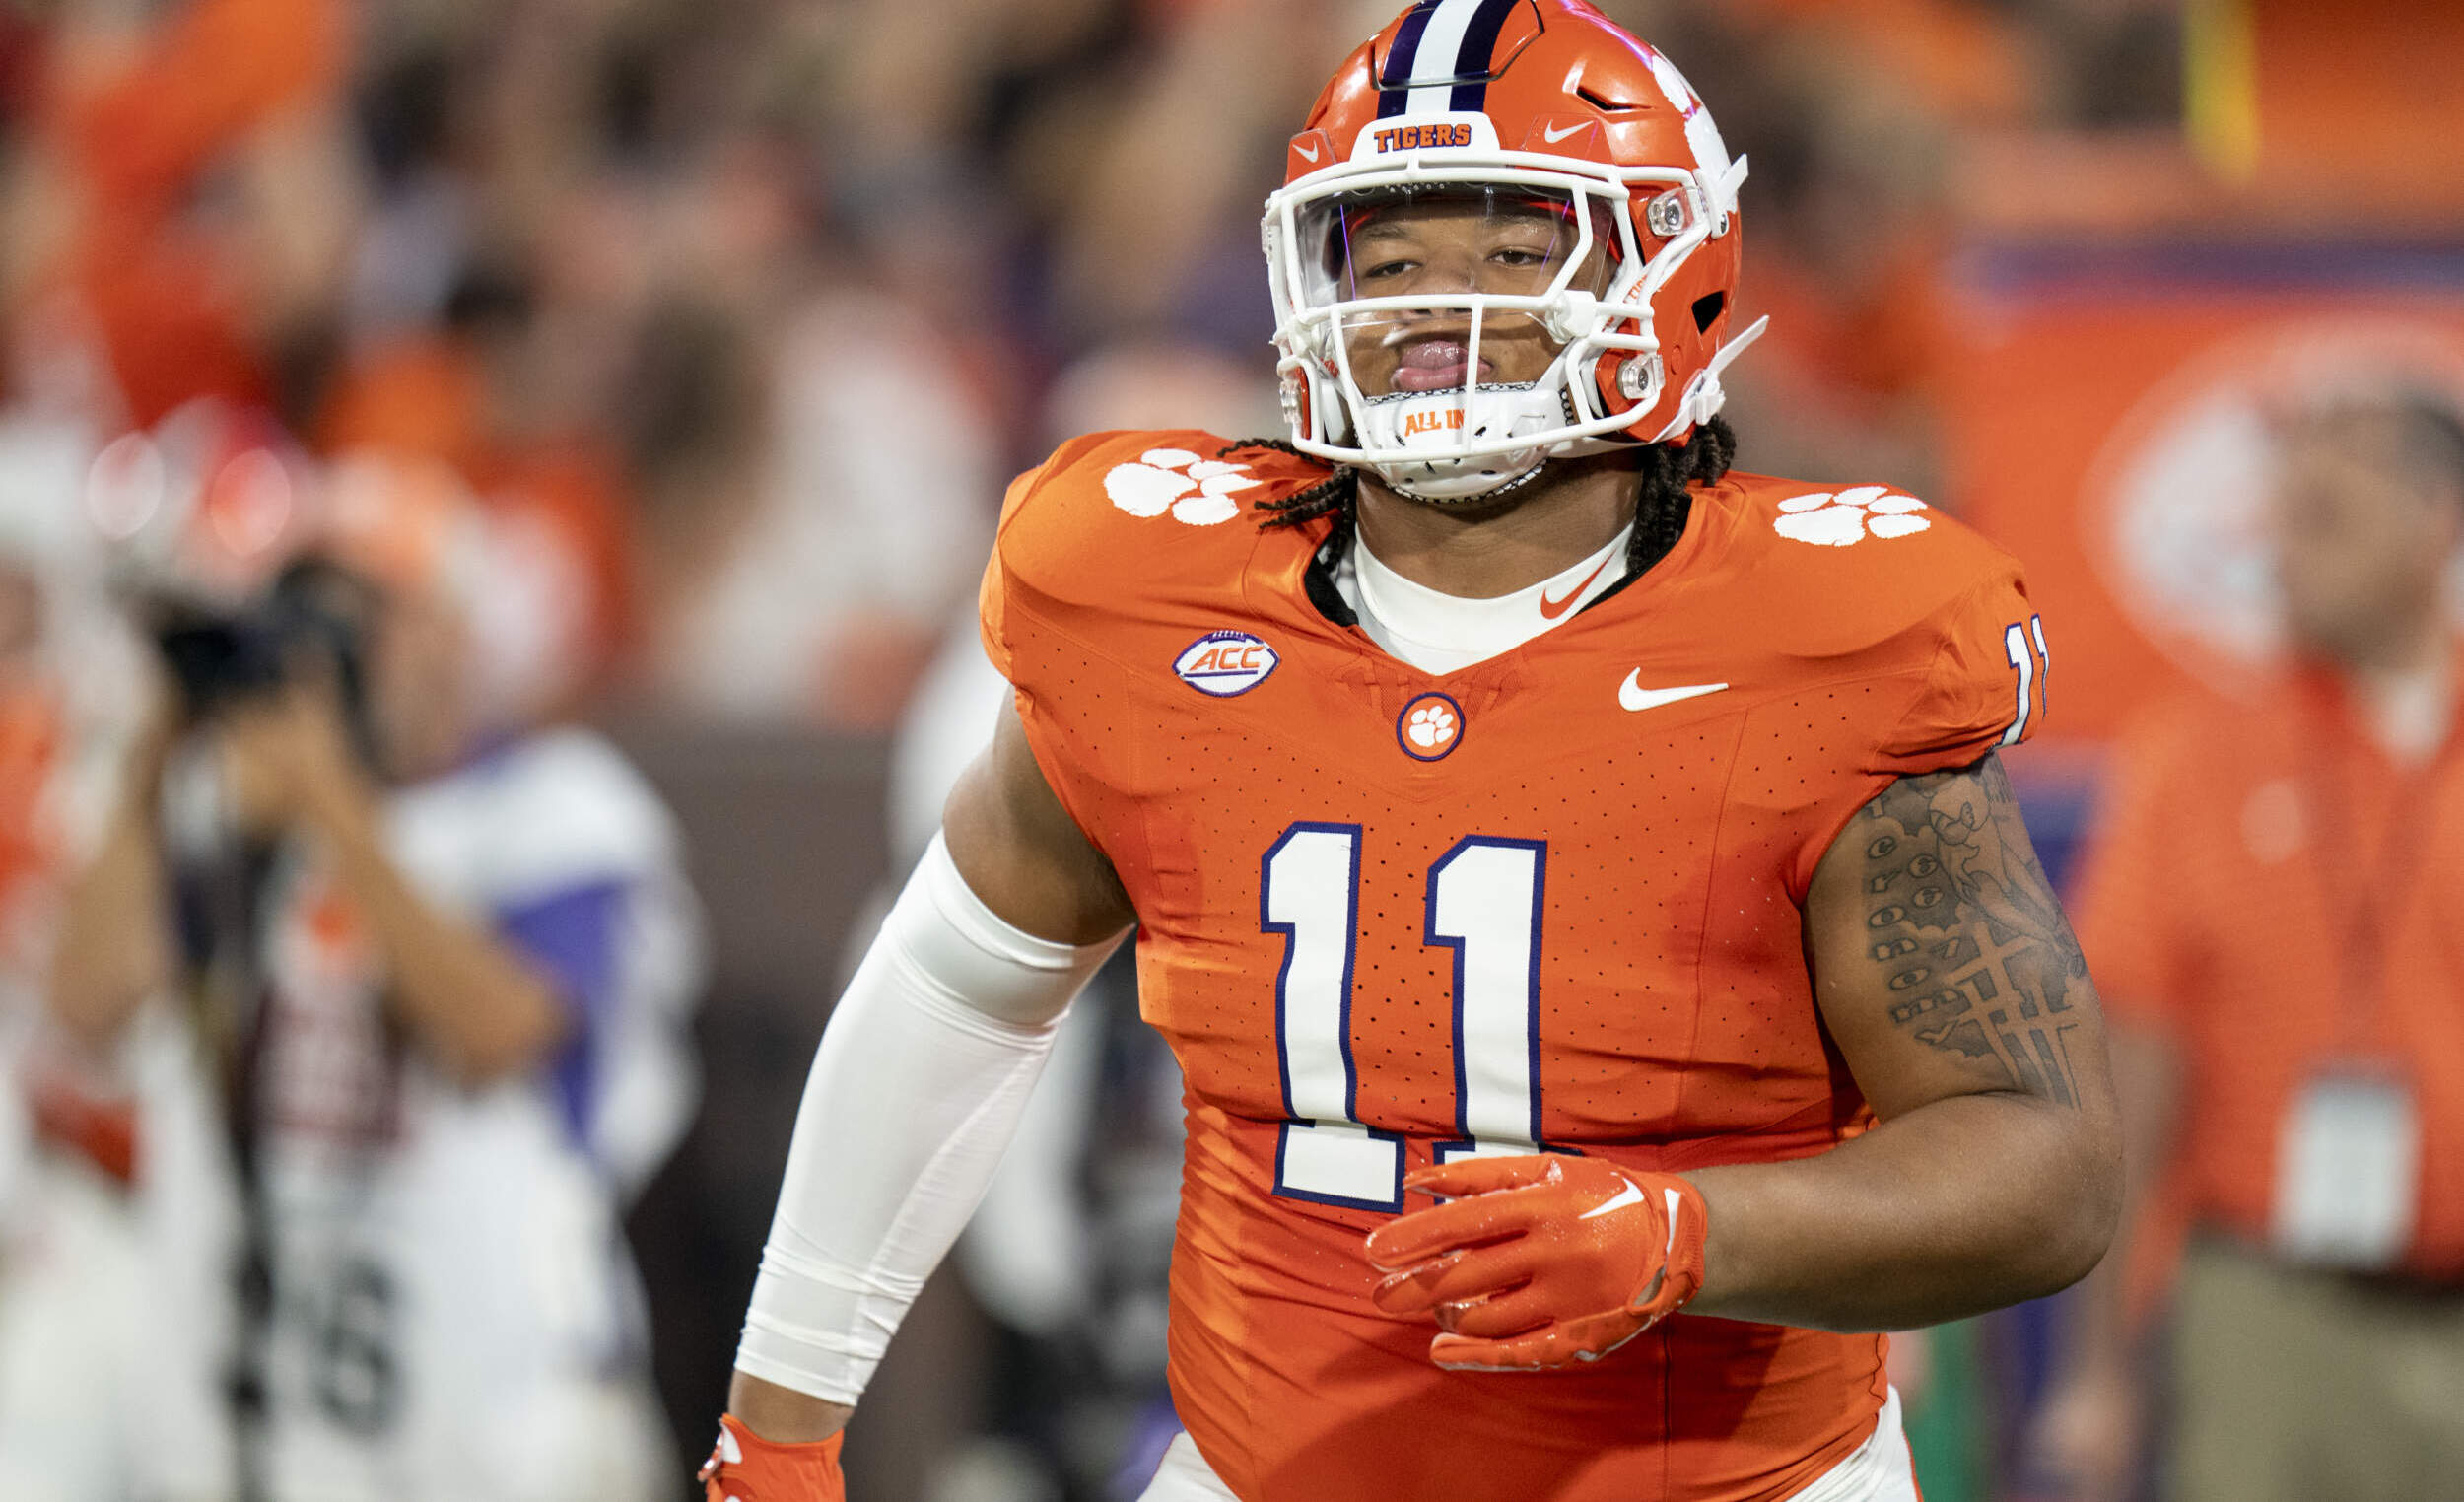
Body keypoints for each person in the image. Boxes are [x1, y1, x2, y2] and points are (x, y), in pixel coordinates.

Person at [702, 4, 2120, 1499]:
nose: (1440, 307)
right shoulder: (1159, 600)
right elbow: (955, 987)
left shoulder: (1822, 643)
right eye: (1388, 260)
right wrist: (780, 1420)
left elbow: (2041, 1161)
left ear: (1670, 271)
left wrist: (1694, 1236)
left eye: (1514, 253)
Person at [47, 453, 702, 1502]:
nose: (325, 652)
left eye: (363, 616)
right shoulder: (221, 814)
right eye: (296, 614)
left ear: (456, 634)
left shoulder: (558, 811)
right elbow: (86, 1005)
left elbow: (497, 1033)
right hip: (260, 1427)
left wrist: (335, 809)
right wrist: (158, 754)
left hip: (495, 1431)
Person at [2032, 388, 2464, 1502]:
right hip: (2267, 1312)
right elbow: (2132, 1072)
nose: (2279, 551)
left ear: (2435, 520)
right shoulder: (2193, 758)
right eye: (2276, 517)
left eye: (2322, 514)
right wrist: (2098, 1368)